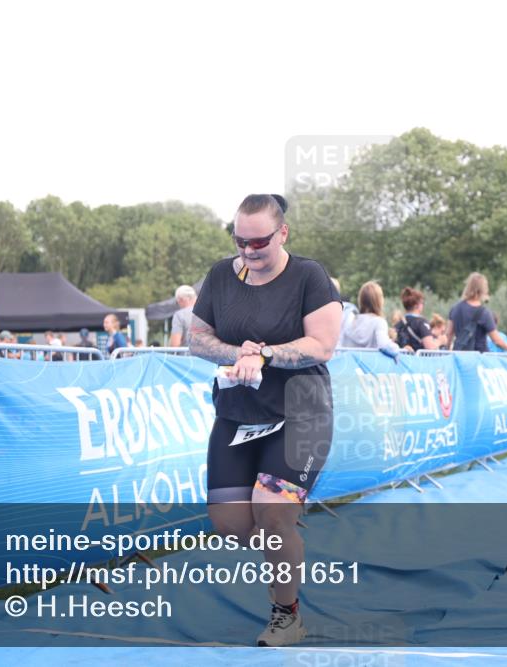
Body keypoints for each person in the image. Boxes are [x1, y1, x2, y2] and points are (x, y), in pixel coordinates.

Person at [188, 194, 341, 647]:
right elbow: (197, 339)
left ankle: (286, 614)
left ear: (283, 234)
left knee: (272, 514)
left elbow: (323, 345)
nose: (250, 251)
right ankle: (286, 540)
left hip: (302, 410)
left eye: (260, 242)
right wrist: (242, 354)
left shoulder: (309, 277)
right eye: (241, 242)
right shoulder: (221, 275)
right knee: (231, 524)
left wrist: (267, 354)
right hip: (238, 414)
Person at [447, 273, 507, 353]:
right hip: (479, 358)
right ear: (483, 290)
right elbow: (497, 341)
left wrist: (447, 349)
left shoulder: (455, 308)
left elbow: (449, 334)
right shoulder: (484, 313)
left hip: (459, 356)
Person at [340, 281, 401, 357]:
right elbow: (383, 345)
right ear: (379, 301)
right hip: (370, 366)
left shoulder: (350, 320)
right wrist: (398, 349)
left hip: (351, 365)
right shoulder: (379, 322)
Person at [395, 287, 446, 352]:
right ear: (416, 305)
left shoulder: (399, 323)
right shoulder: (421, 323)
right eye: (422, 303)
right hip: (419, 361)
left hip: (401, 360)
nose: (423, 305)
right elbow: (430, 347)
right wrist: (440, 341)